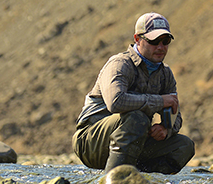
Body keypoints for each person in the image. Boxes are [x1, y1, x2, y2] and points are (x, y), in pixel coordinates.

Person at [72, 12, 195, 174]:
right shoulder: (119, 64)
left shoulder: (165, 74)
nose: (160, 47)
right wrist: (159, 101)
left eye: (165, 41)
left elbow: (174, 114)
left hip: (133, 141)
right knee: (137, 117)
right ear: (137, 39)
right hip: (90, 143)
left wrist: (166, 129)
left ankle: (143, 181)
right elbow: (115, 102)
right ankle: (115, 180)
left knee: (184, 145)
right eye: (153, 41)